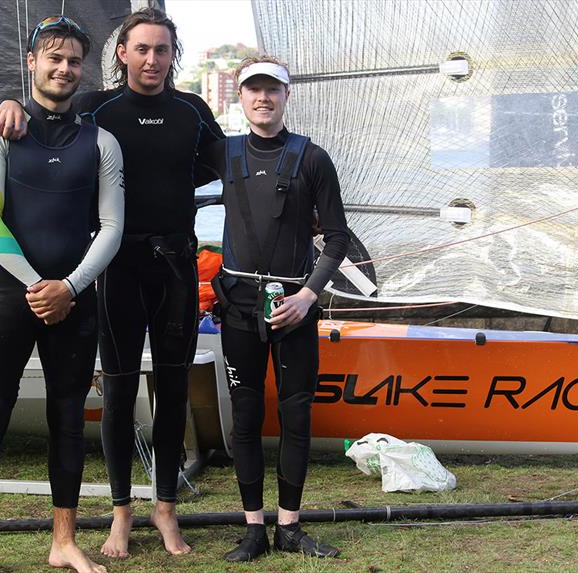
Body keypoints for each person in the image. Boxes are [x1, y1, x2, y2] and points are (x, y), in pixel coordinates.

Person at [0, 7, 224, 558]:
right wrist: (7, 102)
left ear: (173, 56)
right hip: (117, 267)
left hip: (174, 266)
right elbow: (44, 113)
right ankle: (121, 514)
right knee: (118, 391)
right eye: (141, 49)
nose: (151, 59)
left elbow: (227, 165)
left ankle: (164, 509)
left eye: (162, 50)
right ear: (121, 54)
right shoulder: (98, 109)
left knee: (172, 389)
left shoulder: (193, 110)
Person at [0, 16, 124, 573]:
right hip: (10, 297)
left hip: (72, 300)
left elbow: (112, 227)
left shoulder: (102, 141)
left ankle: (64, 541)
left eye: (74, 60)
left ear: (84, 68)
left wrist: (69, 287)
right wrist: (37, 286)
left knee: (68, 418)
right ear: (32, 63)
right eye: (53, 57)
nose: (64, 68)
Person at [199, 55, 350, 562]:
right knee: (245, 416)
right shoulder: (222, 153)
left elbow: (336, 239)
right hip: (240, 306)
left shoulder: (312, 158)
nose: (263, 98)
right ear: (240, 98)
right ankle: (253, 529)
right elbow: (160, 154)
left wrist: (308, 297)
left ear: (287, 96)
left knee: (295, 414)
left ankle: (289, 526)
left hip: (295, 308)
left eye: (273, 90)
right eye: (253, 90)